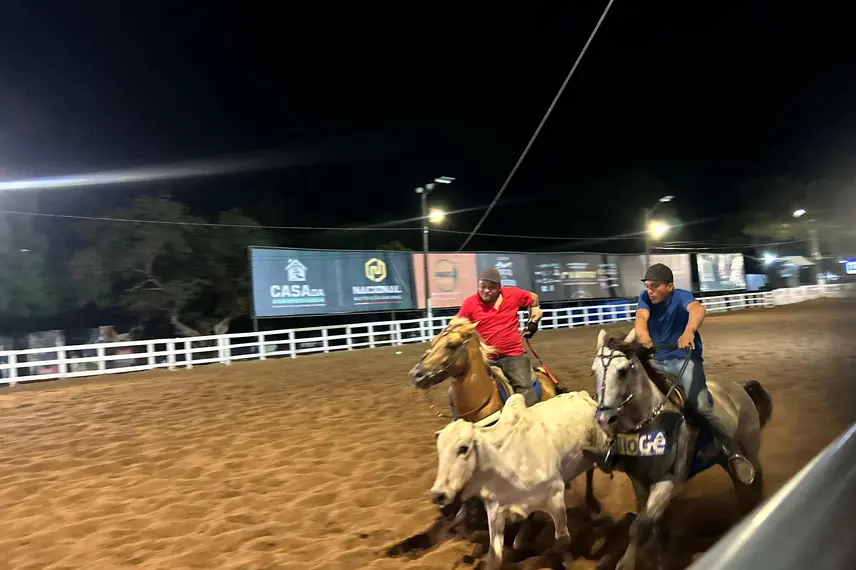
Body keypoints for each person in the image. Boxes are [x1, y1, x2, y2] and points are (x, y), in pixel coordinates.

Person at [634, 263, 756, 485]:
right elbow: (641, 319)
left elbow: (698, 310)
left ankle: (734, 452)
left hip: (685, 361)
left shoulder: (681, 297)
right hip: (658, 362)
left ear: (670, 286)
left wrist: (689, 330)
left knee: (701, 407)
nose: (650, 291)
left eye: (655, 286)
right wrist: (642, 335)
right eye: (648, 286)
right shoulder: (645, 298)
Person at [456, 267, 543, 407]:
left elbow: (534, 298)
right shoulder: (470, 304)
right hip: (486, 359)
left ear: (499, 287)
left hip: (513, 354)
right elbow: (457, 325)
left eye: (490, 288)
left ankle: (530, 420)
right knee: (465, 389)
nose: (485, 290)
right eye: (482, 286)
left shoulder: (513, 294)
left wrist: (533, 322)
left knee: (524, 388)